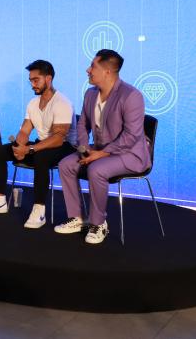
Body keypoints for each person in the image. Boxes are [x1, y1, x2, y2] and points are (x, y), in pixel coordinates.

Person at [55, 49, 150, 244]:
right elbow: (82, 124)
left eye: (92, 66)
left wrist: (102, 153)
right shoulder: (90, 94)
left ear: (107, 71)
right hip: (98, 149)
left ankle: (98, 223)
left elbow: (131, 136)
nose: (87, 70)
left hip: (130, 154)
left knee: (96, 169)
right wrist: (84, 148)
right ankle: (77, 218)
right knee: (66, 164)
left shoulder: (131, 96)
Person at [0, 60, 76, 228]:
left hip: (64, 147)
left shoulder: (62, 102)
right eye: (31, 80)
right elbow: (24, 130)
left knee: (41, 158)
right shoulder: (33, 103)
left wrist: (29, 149)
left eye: (36, 80)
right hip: (40, 145)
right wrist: (19, 147)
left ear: (48, 79)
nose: (32, 84)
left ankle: (39, 210)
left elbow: (59, 138)